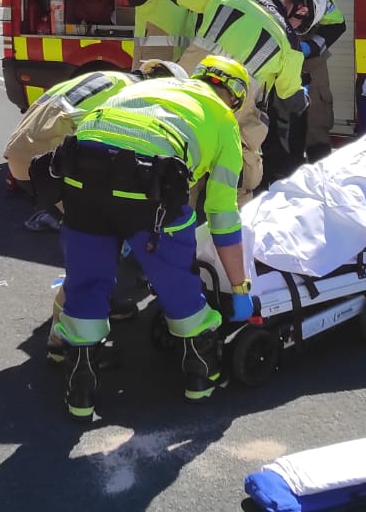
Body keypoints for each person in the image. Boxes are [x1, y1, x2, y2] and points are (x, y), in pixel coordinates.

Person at [47, 55, 252, 418]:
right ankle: (200, 378)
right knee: (175, 278)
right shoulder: (222, 120)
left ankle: (80, 390)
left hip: (79, 175)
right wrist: (239, 287)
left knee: (87, 280)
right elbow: (222, 215)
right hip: (148, 188)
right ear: (233, 97)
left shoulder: (144, 87)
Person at [127, 0, 318, 198]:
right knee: (241, 185)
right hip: (228, 124)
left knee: (173, 179)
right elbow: (291, 102)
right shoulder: (290, 45)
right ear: (302, 12)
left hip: (181, 99)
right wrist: (303, 93)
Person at [3, 59, 187, 232]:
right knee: (105, 211)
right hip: (42, 162)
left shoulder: (109, 78)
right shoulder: (132, 95)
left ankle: (56, 209)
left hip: (19, 151)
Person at [242, 0, 347, 163]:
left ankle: (319, 167)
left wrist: (308, 49)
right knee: (269, 115)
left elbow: (336, 24)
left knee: (315, 116)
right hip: (271, 60)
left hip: (309, 56)